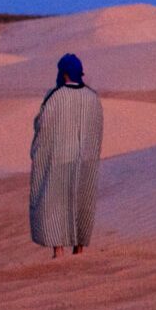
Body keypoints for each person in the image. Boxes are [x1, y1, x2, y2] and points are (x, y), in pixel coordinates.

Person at [29, 53, 104, 258]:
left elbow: (42, 126)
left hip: (58, 158)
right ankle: (79, 249)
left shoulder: (54, 96)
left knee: (56, 203)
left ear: (63, 74)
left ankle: (59, 250)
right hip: (86, 160)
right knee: (82, 202)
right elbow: (98, 128)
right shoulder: (93, 97)